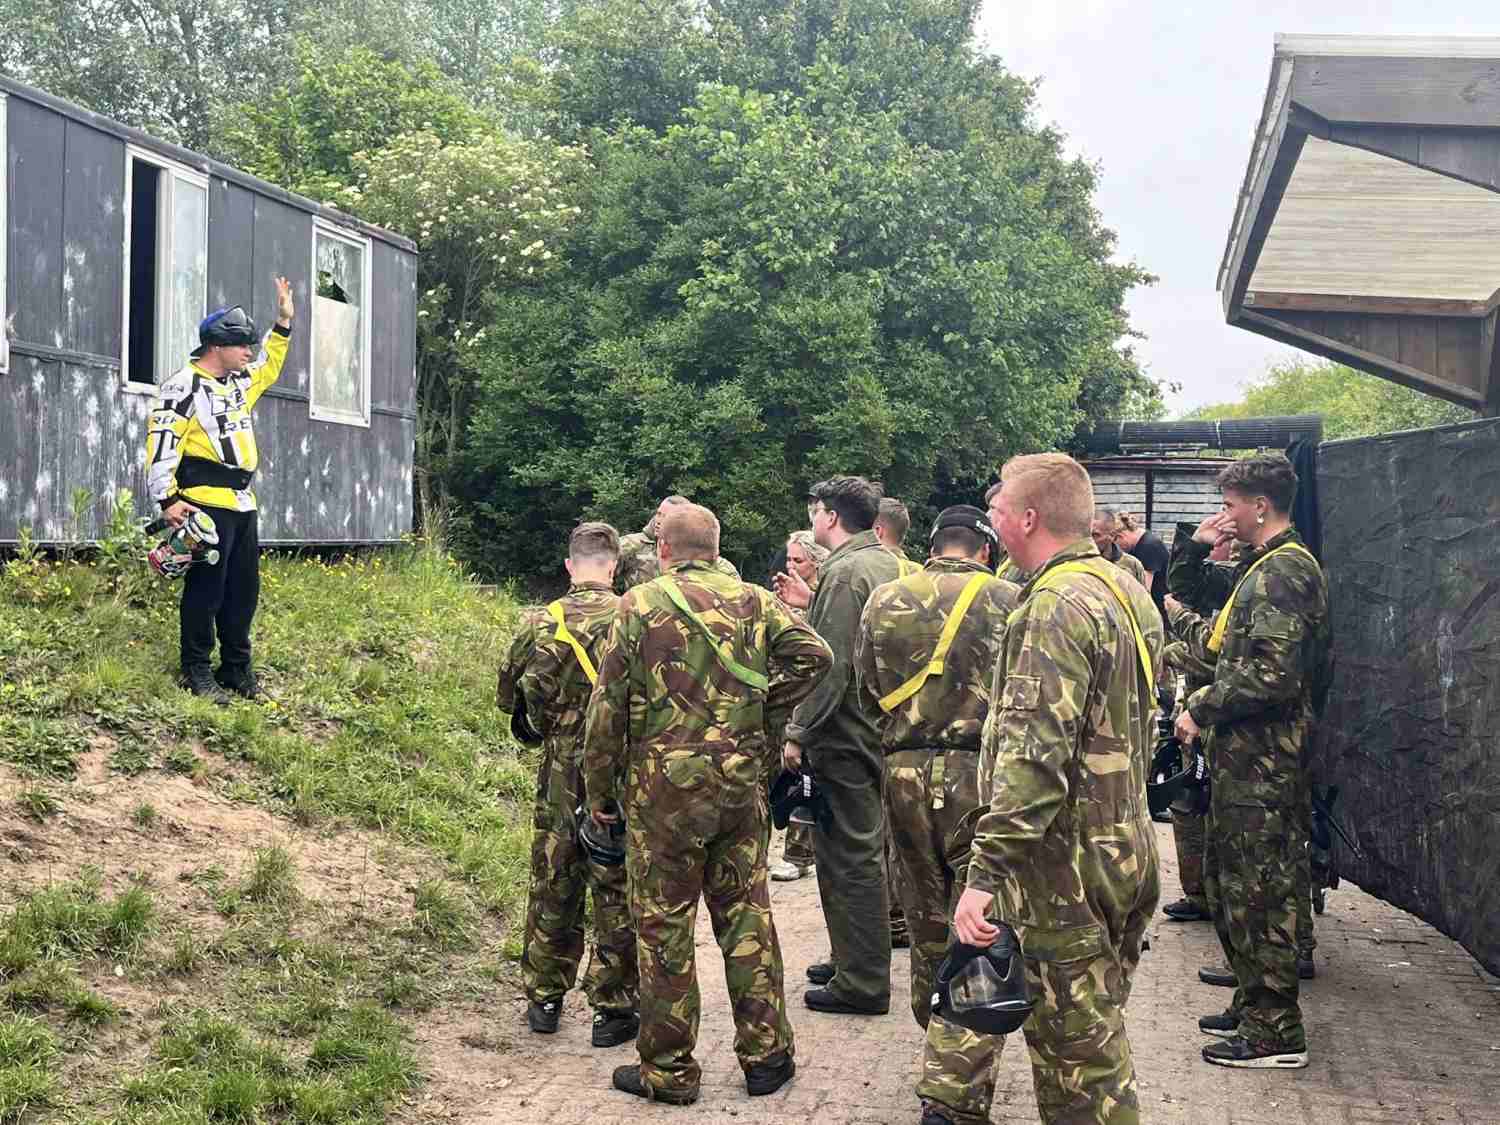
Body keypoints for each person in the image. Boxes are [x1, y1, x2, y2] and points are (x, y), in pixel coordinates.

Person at [583, 503, 833, 1105]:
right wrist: (766, 708)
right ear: (716, 548)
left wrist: (598, 791)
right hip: (739, 783)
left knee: (663, 924)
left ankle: (669, 1070)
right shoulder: (756, 601)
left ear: (663, 550)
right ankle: (767, 1057)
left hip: (662, 793)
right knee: (746, 914)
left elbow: (606, 709)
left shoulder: (638, 605)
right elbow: (816, 656)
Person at [955, 452, 1163, 1124]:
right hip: (1122, 847)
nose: (991, 521)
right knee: (1095, 1030)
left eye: (997, 509)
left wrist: (985, 875)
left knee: (1081, 1069)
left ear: (1028, 517)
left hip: (1065, 867)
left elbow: (1033, 761)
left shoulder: (1051, 606)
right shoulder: (1124, 589)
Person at [856, 505, 1020, 1125]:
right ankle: (956, 1086)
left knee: (924, 917)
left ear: (932, 545)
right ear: (985, 549)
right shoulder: (1010, 600)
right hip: (980, 774)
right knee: (980, 921)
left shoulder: (884, 599)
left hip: (902, 771)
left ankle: (936, 1036)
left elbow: (865, 688)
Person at [1172, 453, 1331, 1070]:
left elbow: (1272, 674)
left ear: (1261, 505)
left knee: (1261, 891)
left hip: (1266, 765)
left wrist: (1202, 707)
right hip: (1247, 761)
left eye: (1231, 505)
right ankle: (1253, 1003)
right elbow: (1237, 655)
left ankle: (1275, 1032)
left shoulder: (1284, 572)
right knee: (1233, 883)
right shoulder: (1265, 566)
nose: (1225, 516)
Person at [497, 522, 639, 1048]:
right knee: (616, 884)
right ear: (614, 567)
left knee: (554, 879)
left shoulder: (541, 622)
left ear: (569, 566)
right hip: (619, 769)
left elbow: (509, 700)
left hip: (560, 769)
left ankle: (545, 999)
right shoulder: (636, 617)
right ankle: (613, 1008)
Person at [776, 475, 902, 1016]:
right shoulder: (888, 562)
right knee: (860, 850)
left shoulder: (846, 571)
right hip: (880, 726)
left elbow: (830, 665)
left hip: (847, 733)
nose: (812, 518)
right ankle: (853, 957)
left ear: (830, 516)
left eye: (815, 510)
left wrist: (798, 731)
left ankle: (862, 981)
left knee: (849, 855)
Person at [144, 278, 295, 703]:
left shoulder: (238, 382)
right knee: (206, 591)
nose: (249, 351)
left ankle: (235, 668)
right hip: (204, 504)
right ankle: (196, 669)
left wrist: (283, 324)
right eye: (242, 344)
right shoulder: (183, 385)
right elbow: (163, 440)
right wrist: (167, 498)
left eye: (250, 344)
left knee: (243, 592)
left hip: (243, 504)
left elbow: (268, 366)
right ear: (216, 346)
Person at [770, 530, 828, 882]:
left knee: (805, 775)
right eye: (788, 558)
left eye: (798, 560)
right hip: (785, 699)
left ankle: (798, 854)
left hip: (813, 701)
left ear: (817, 562)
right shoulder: (782, 599)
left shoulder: (823, 600)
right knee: (790, 776)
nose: (790, 565)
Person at [616, 495, 740, 591]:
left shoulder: (715, 563)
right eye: (658, 514)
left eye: (667, 516)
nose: (659, 520)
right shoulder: (629, 545)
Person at [1114, 511, 1170, 614]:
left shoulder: (1149, 546)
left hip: (1159, 610)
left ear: (1121, 536)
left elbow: (1144, 589)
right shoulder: (1139, 544)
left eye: (1116, 544)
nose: (1118, 549)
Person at [1091, 508, 1151, 589]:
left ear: (1112, 535)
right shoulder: (1079, 561)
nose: (1089, 540)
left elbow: (1143, 595)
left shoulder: (1131, 564)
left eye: (1095, 535)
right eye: (1087, 535)